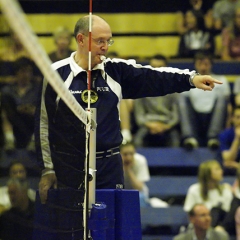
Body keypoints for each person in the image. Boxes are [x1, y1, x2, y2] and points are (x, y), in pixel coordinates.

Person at [35, 14, 222, 205]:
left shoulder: (116, 70)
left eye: (108, 41)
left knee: (109, 228)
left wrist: (191, 79)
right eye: (100, 41)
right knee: (71, 230)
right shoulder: (55, 73)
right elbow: (43, 124)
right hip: (69, 165)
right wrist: (48, 169)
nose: (106, 47)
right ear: (80, 39)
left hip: (109, 166)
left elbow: (155, 76)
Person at [178, 51, 231, 149]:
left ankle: (213, 137)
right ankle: (190, 137)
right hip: (194, 118)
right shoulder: (188, 80)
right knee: (182, 98)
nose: (203, 67)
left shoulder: (221, 80)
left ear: (211, 65)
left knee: (222, 98)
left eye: (206, 64)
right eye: (200, 64)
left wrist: (228, 125)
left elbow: (228, 107)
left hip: (214, 118)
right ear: (195, 65)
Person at [133, 54, 180, 147]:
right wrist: (151, 125)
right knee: (137, 141)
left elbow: (176, 116)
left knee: (176, 141)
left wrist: (165, 126)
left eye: (160, 67)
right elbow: (139, 116)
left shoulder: (175, 88)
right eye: (153, 67)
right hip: (147, 125)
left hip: (168, 125)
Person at [1, 57, 41, 150]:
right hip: (13, 125)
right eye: (23, 71)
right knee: (6, 101)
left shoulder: (37, 90)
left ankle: (33, 139)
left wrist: (33, 110)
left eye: (29, 71)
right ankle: (9, 138)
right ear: (17, 72)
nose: (26, 74)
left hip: (31, 123)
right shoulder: (8, 90)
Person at [184, 160, 233, 227]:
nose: (221, 171)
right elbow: (189, 212)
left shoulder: (225, 191)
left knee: (216, 210)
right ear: (207, 173)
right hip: (197, 226)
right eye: (217, 169)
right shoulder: (194, 190)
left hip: (218, 228)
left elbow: (227, 215)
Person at [120, 142, 150, 207]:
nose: (128, 158)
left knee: (140, 198)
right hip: (121, 192)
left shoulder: (141, 160)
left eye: (131, 154)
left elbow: (139, 187)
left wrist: (129, 170)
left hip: (138, 193)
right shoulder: (115, 162)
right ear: (120, 154)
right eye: (125, 154)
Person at [219, 106, 240, 173]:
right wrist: (237, 138)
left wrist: (237, 165)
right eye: (238, 117)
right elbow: (228, 159)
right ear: (232, 118)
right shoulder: (225, 134)